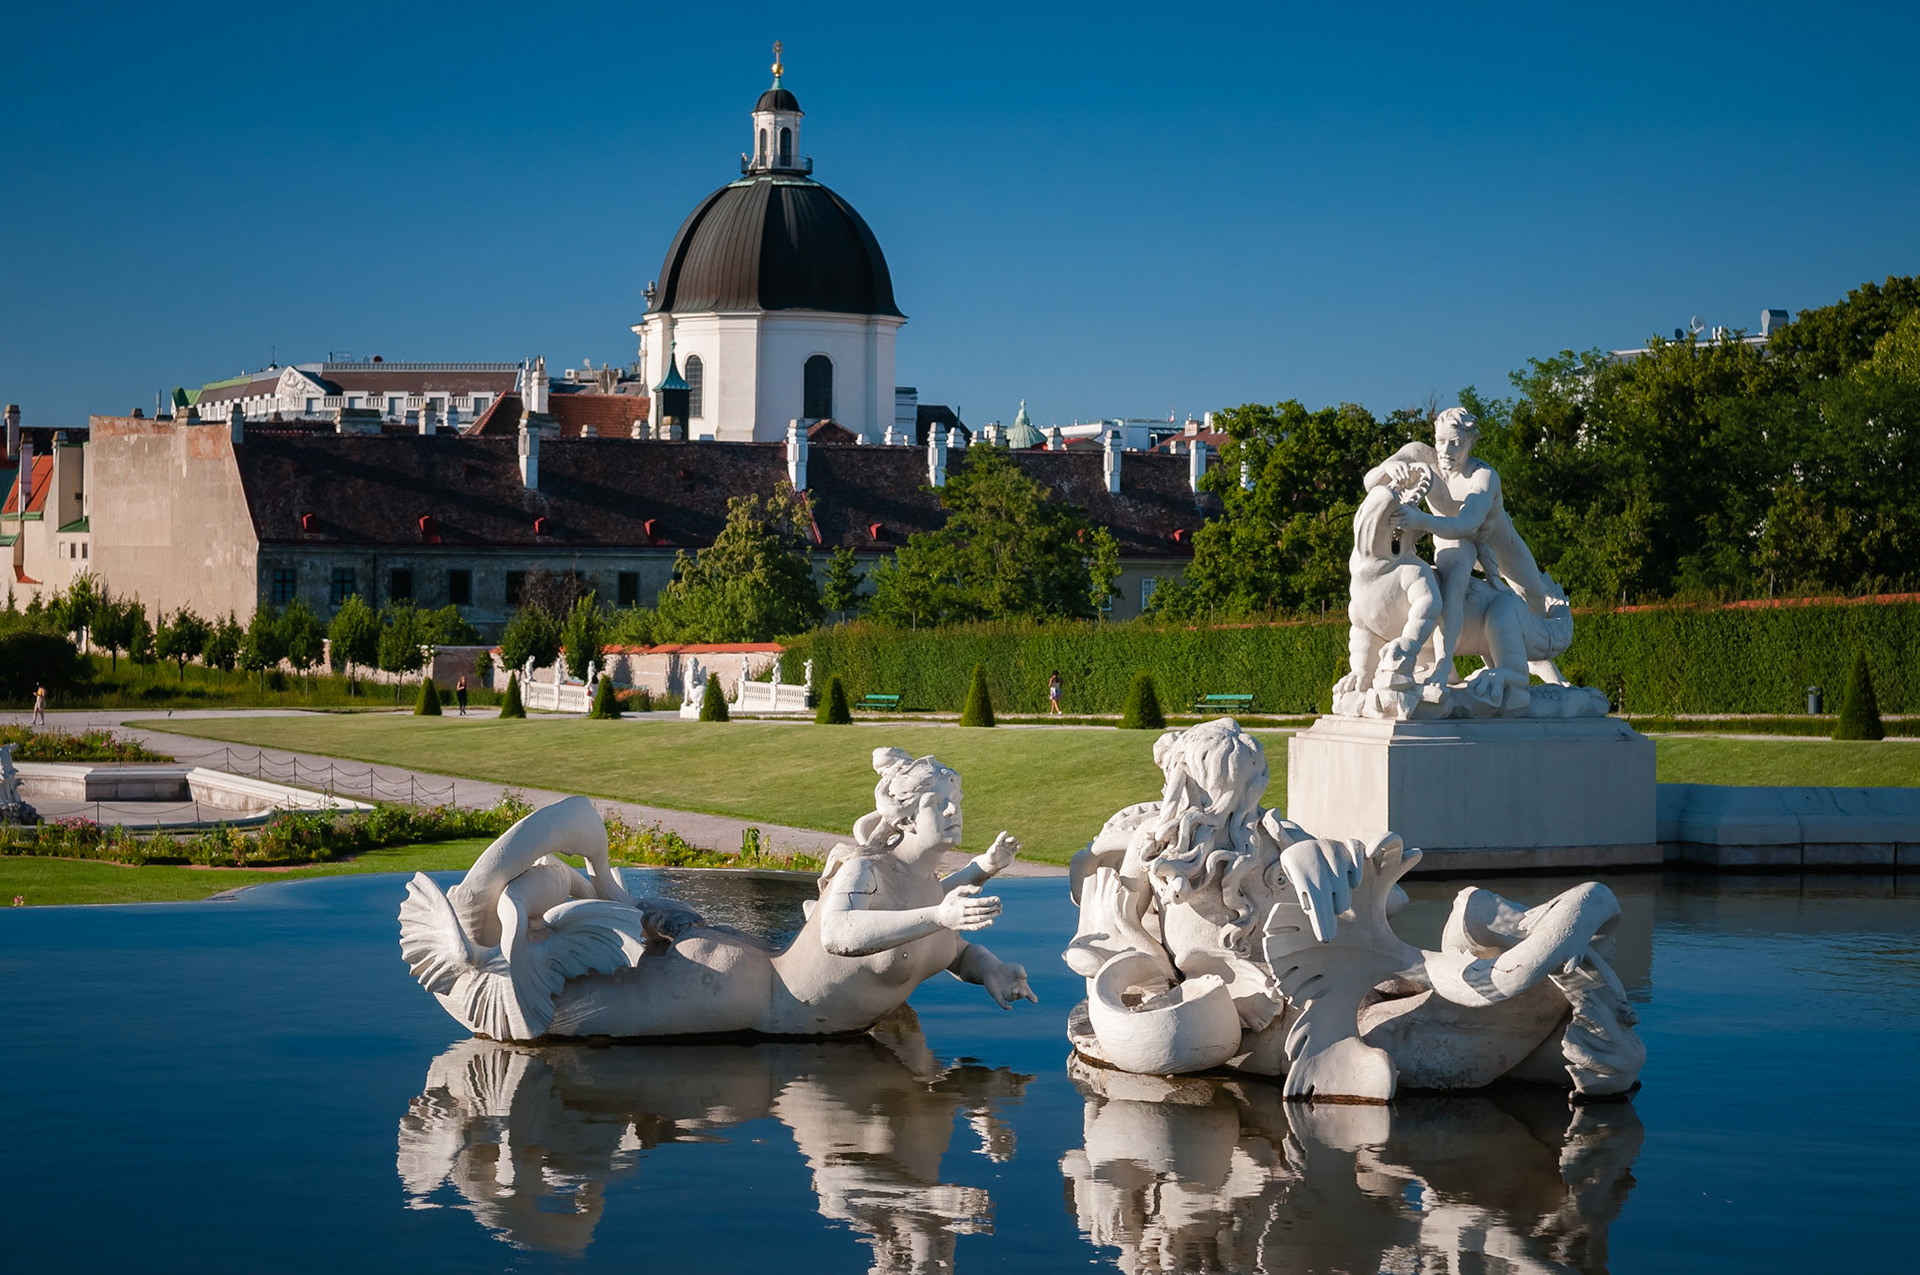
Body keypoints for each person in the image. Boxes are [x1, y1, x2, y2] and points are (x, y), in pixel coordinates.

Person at [1366, 408, 1550, 685]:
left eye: (1456, 443)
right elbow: (1370, 482)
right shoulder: (1419, 454)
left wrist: (1420, 520)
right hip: (1449, 538)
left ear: (1470, 442)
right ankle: (1444, 666)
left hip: (1496, 541)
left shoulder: (1483, 476)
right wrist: (1388, 467)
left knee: (1533, 596)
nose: (1446, 450)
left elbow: (1468, 525)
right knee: (1452, 589)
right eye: (1441, 441)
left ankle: (1535, 660)